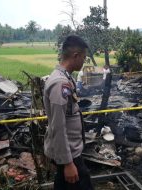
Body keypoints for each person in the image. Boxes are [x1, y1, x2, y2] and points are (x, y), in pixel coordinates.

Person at [43, 35, 93, 190]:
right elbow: (58, 125)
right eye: (84, 58)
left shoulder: (66, 78)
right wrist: (68, 163)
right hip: (69, 156)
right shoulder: (60, 83)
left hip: (70, 151)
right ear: (75, 56)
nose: (84, 61)